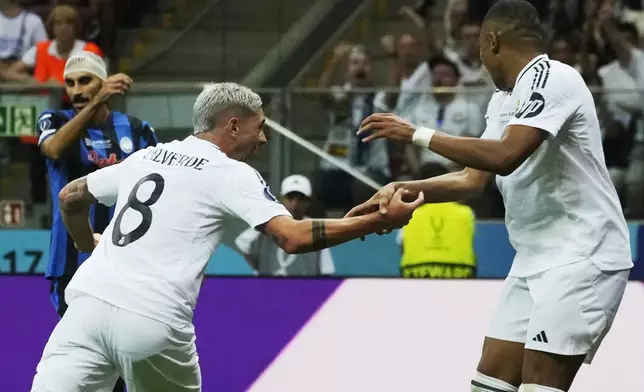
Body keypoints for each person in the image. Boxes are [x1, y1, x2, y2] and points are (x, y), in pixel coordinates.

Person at [30, 82, 423, 391]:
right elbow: (292, 237)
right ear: (234, 126)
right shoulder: (228, 171)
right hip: (152, 319)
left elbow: (70, 196)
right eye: (260, 127)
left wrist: (86, 243)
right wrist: (374, 222)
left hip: (87, 306)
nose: (264, 139)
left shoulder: (148, 155)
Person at [349, 1, 632, 391]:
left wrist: (416, 133)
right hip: (533, 258)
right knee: (488, 384)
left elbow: (506, 157)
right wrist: (404, 187)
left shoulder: (554, 78)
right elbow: (471, 180)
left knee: (540, 384)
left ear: (492, 40)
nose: (480, 61)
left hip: (583, 255)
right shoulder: (504, 99)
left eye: (480, 51)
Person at [37, 51, 154, 392]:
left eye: (85, 80)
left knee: (124, 364)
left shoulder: (137, 130)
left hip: (127, 264)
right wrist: (96, 102)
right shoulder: (53, 121)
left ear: (103, 81)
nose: (76, 89)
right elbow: (54, 150)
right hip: (73, 264)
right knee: (87, 360)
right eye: (70, 82)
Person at [235, 174, 336, 276]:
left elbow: (326, 271)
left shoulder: (316, 230)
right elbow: (242, 243)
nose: (295, 203)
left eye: (301, 199)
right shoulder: (269, 225)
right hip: (269, 289)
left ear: (308, 202)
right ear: (281, 199)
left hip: (304, 290)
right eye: (290, 197)